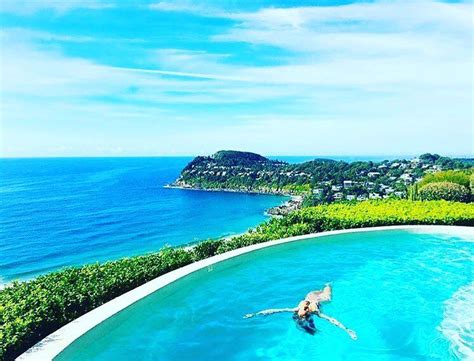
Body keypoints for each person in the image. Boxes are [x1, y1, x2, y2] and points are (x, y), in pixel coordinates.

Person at [243, 284, 357, 340]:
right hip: (311, 295)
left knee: (328, 294)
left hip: (321, 298)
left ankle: (328, 283)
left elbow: (332, 320)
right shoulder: (297, 310)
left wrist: (347, 330)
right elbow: (274, 311)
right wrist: (255, 314)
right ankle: (326, 284)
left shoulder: (315, 312)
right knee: (322, 290)